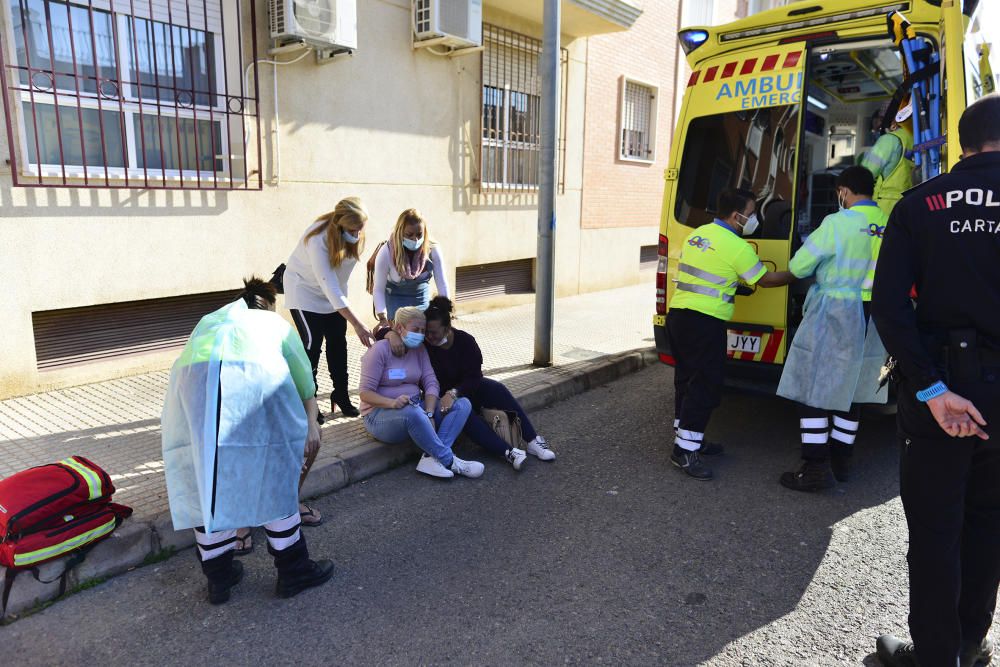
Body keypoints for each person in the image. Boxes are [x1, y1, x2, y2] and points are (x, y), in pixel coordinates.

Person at [872, 93, 1000, 667]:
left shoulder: (920, 205)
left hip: (942, 391)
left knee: (934, 532)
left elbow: (889, 305)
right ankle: (969, 642)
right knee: (988, 525)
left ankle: (936, 656)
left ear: (962, 143)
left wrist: (930, 388)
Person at [161, 278, 335, 604]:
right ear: (269, 302)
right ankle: (294, 571)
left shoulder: (211, 319)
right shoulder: (272, 321)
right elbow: (302, 378)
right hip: (254, 375)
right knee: (273, 472)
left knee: (209, 480)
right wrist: (311, 420)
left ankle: (219, 578)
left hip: (193, 380)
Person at [667, 188, 797, 480]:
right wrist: (798, 272)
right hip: (705, 322)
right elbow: (765, 279)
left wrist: (731, 283)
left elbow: (706, 271)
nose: (753, 218)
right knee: (706, 385)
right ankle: (684, 452)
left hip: (679, 317)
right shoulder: (737, 246)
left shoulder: (698, 234)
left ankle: (688, 438)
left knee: (686, 379)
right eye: (751, 213)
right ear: (737, 215)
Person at [776, 166, 888, 492]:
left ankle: (814, 468)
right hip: (875, 316)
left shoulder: (837, 223)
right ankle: (842, 461)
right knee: (854, 388)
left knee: (813, 386)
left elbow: (799, 266)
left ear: (843, 191)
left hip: (837, 311)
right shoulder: (890, 223)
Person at [422, 296, 556, 470]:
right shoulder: (423, 344)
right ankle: (508, 452)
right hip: (442, 398)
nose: (428, 336)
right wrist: (388, 333)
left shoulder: (466, 341)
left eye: (433, 332)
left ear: (447, 328)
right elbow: (391, 332)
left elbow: (474, 376)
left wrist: (454, 392)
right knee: (464, 410)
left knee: (496, 388)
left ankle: (532, 440)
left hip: (463, 389)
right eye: (425, 331)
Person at [359, 306, 484, 479]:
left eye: (423, 331)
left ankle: (431, 458)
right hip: (379, 414)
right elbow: (365, 394)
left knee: (462, 404)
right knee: (413, 413)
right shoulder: (379, 350)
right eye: (415, 329)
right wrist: (392, 403)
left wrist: (430, 412)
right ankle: (451, 461)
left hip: (415, 407)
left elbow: (431, 382)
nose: (420, 335)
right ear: (400, 328)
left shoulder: (419, 350)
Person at [285, 197, 375, 425]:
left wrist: (342, 310)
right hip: (304, 293)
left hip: (332, 295)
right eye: (353, 229)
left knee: (338, 344)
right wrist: (357, 322)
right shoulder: (317, 238)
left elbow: (339, 282)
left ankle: (341, 395)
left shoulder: (352, 234)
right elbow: (329, 284)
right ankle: (309, 404)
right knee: (311, 346)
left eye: (360, 229)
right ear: (341, 223)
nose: (357, 235)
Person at [372, 208, 450, 325]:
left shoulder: (432, 249)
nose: (415, 239)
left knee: (425, 336)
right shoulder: (386, 252)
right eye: (409, 235)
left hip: (422, 302)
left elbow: (442, 283)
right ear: (400, 232)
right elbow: (378, 289)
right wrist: (382, 318)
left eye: (419, 234)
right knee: (401, 338)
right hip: (395, 304)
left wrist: (445, 312)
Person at [860, 102, 914, 218]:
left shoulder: (889, 140)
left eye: (880, 120)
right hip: (906, 205)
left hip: (884, 207)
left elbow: (864, 174)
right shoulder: (912, 138)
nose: (879, 127)